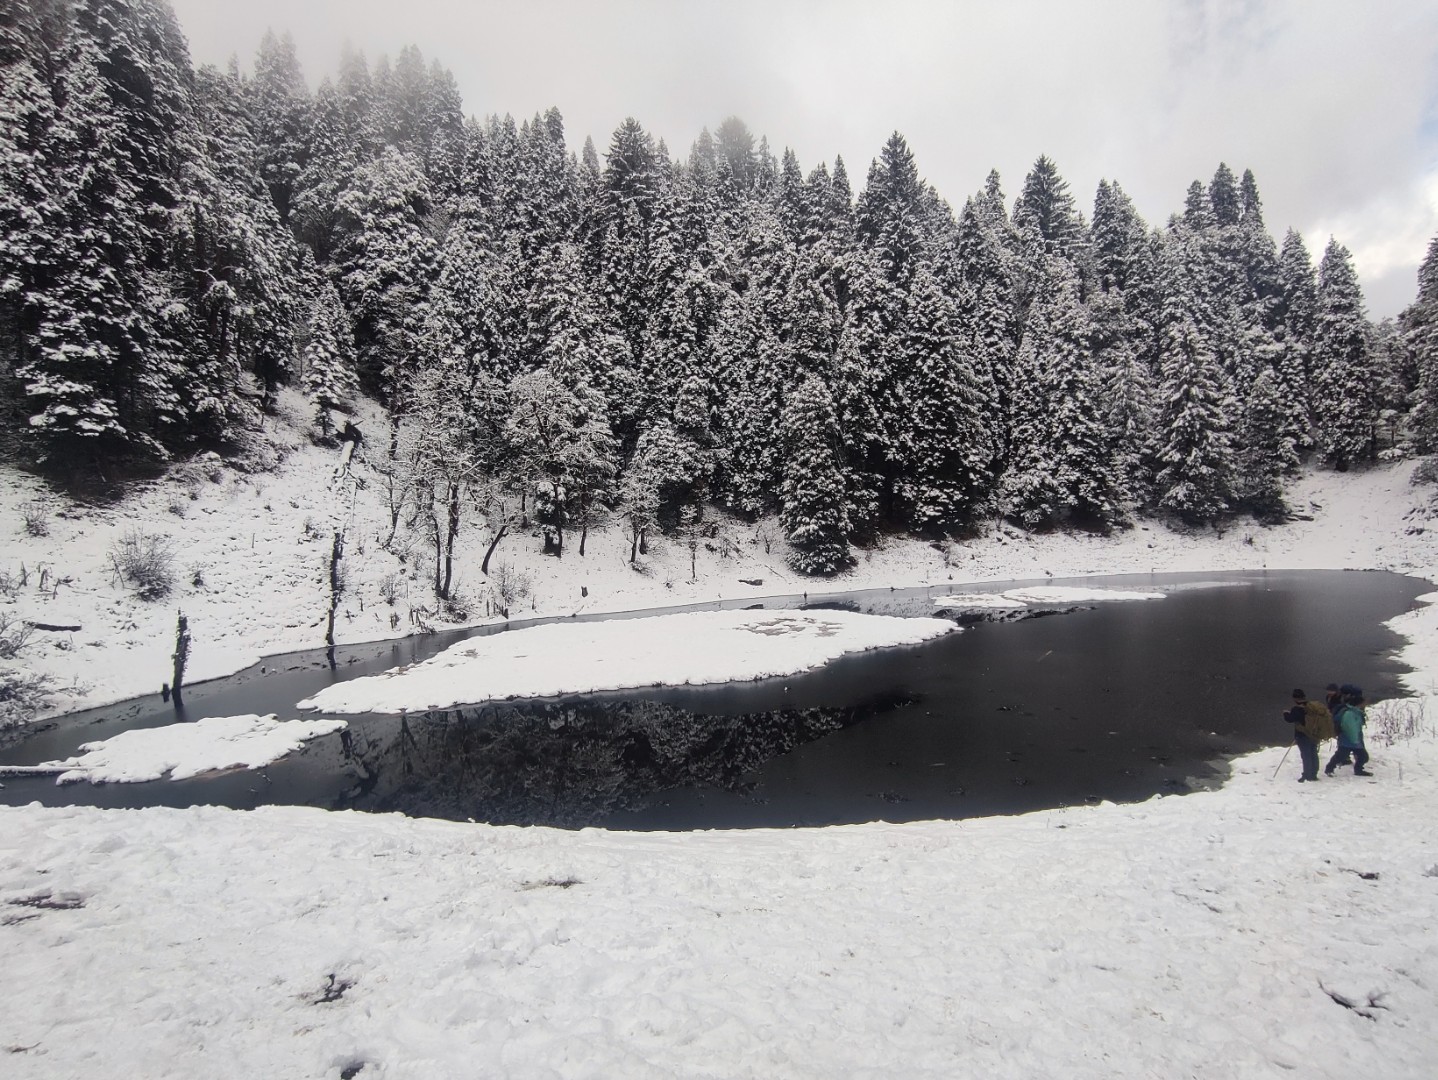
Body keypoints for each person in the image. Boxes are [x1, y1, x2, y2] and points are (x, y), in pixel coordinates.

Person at [1325, 685, 1373, 777]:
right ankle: (1329, 769)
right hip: (1348, 740)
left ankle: (1358, 770)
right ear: (1358, 704)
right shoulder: (1350, 714)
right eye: (1363, 703)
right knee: (1340, 756)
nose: (1364, 705)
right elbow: (1349, 728)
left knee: (1363, 757)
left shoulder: (1356, 712)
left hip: (1353, 740)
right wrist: (1355, 740)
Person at [1282, 688, 1322, 782]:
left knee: (1306, 755)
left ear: (1295, 698)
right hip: (1314, 734)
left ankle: (1307, 775)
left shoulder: (1297, 709)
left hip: (1302, 735)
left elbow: (1290, 719)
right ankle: (1314, 773)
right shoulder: (1312, 707)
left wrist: (1285, 714)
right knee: (1313, 753)